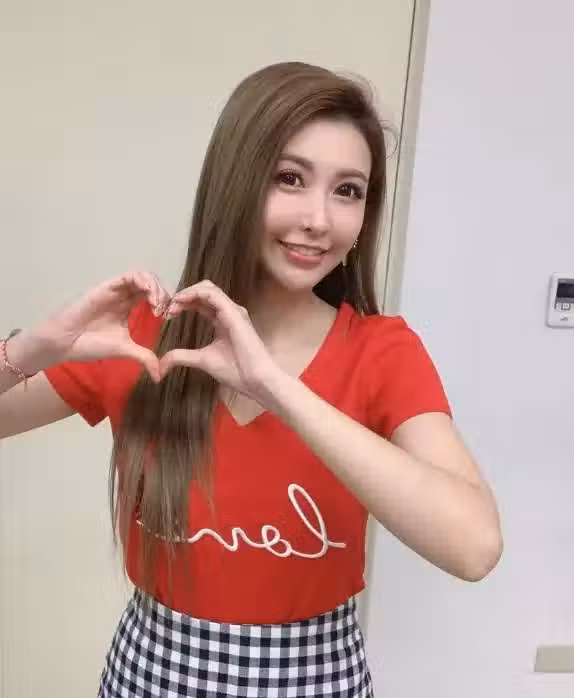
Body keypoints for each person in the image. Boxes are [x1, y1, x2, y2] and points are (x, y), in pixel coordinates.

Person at [0, 62, 502, 697]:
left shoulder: (382, 352)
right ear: (235, 183)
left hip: (316, 678)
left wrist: (276, 388)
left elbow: (474, 547)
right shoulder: (143, 335)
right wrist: (33, 347)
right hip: (151, 675)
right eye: (290, 179)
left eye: (348, 190)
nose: (319, 218)